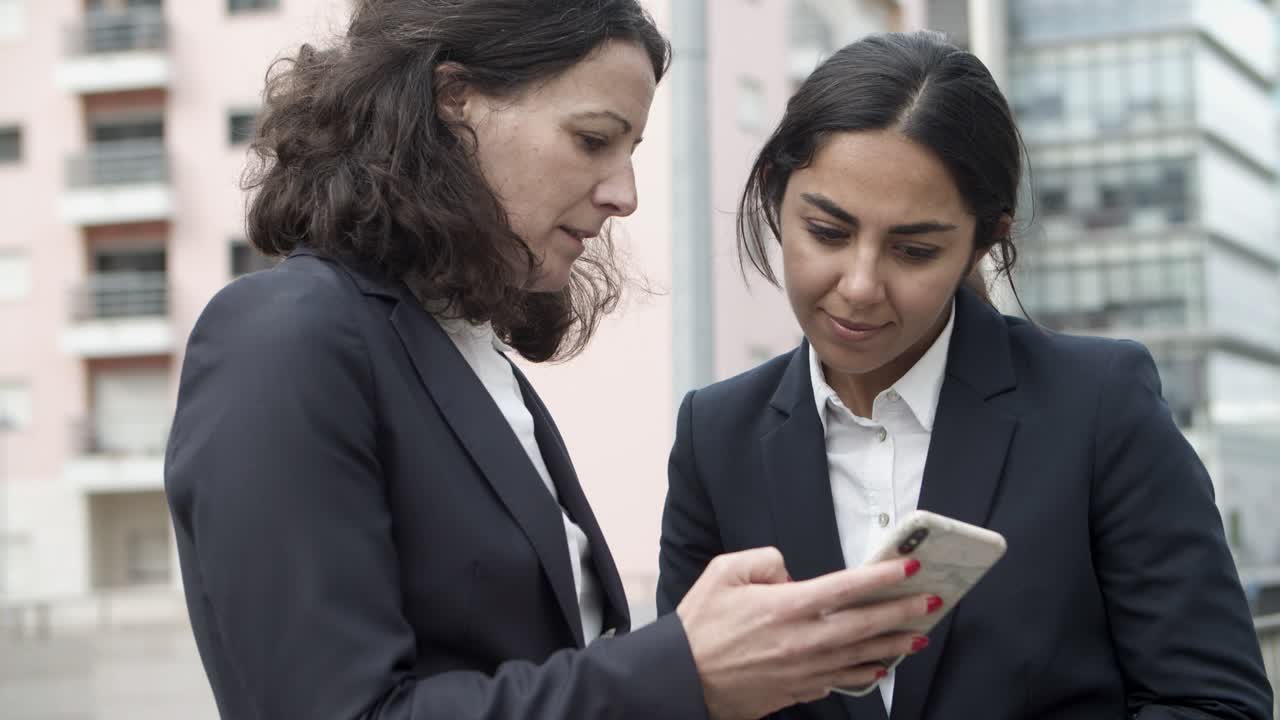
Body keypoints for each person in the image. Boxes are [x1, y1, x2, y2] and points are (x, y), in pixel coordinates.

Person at [163, 3, 943, 719]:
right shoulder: (284, 337)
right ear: (452, 99)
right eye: (593, 140)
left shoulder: (469, 352)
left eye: (631, 149)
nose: (624, 193)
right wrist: (682, 667)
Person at [656, 30, 1273, 720]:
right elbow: (690, 699)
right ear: (776, 197)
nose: (859, 286)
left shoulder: (1098, 406)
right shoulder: (714, 436)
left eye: (914, 250)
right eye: (827, 233)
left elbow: (1215, 703)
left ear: (986, 239)